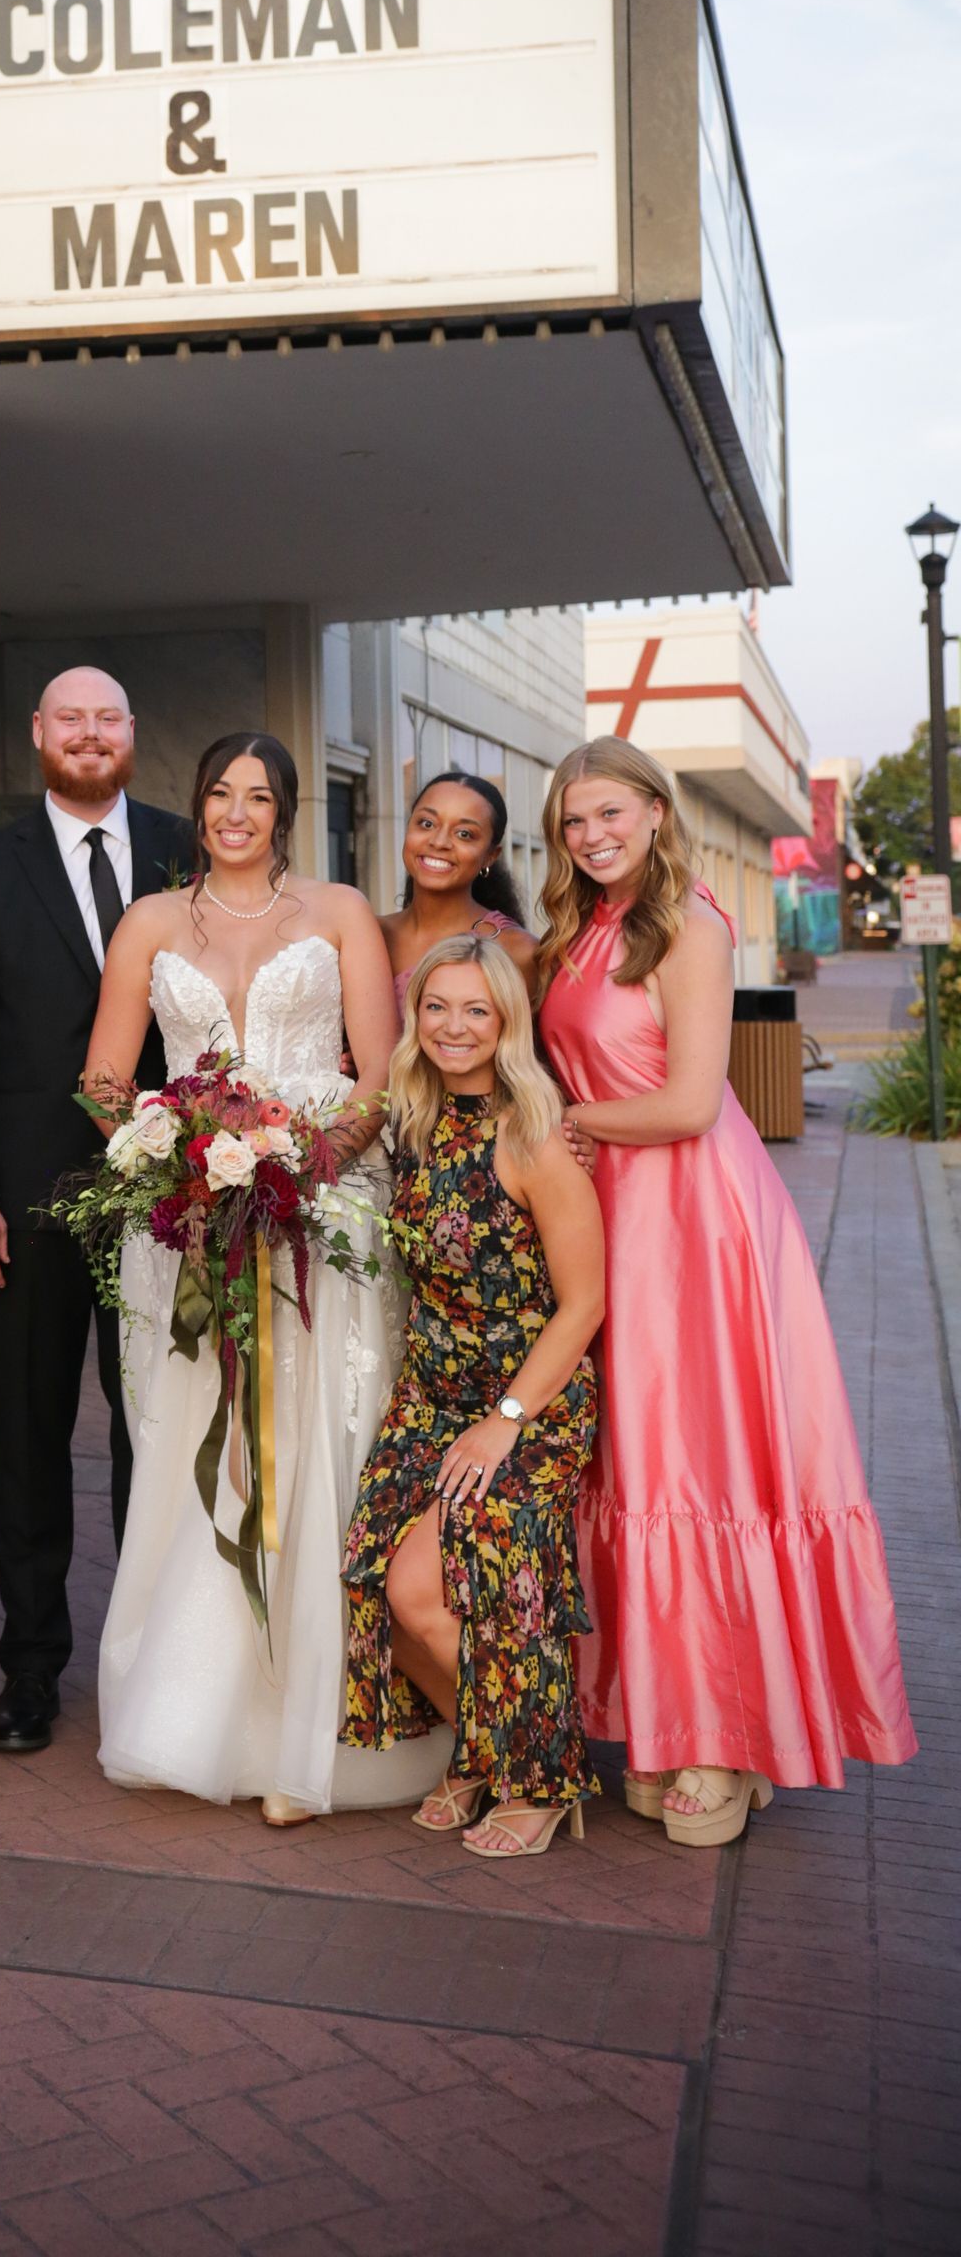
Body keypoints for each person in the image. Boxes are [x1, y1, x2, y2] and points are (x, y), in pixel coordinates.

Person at [538, 737, 916, 1844]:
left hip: (696, 1220)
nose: (593, 834)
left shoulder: (690, 924)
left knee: (704, 1466)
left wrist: (563, 1125)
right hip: (617, 1212)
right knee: (636, 1459)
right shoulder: (580, 928)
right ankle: (666, 1716)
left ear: (657, 810)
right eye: (572, 821)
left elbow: (692, 1102)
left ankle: (724, 1735)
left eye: (610, 812)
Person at [81, 733, 444, 1821]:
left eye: (257, 797)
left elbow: (380, 1074)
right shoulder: (150, 923)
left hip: (323, 1213)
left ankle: (315, 1726)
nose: (236, 812)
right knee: (208, 1447)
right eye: (218, 794)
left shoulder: (335, 914)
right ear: (196, 808)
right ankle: (203, 1715)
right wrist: (167, 1149)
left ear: (285, 811)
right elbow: (104, 1077)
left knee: (319, 1452)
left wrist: (316, 1154)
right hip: (191, 1227)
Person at [0, 666, 197, 1756]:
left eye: (108, 720)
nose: (89, 736)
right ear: (37, 734)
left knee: (157, 1432)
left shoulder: (190, 848)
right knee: (33, 1440)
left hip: (177, 1201)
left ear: (133, 734)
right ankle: (32, 1671)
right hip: (30, 1205)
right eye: (69, 720)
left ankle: (157, 1662)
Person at [342, 934, 604, 1859]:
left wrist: (504, 1427)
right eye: (436, 1008)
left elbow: (582, 1306)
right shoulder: (410, 1124)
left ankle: (539, 1770)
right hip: (432, 1394)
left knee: (425, 1590)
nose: (454, 1028)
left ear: (508, 1024)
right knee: (373, 1582)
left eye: (476, 1011)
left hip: (527, 1402)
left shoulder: (532, 1135)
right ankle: (495, 1749)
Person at [379, 770, 538, 1013]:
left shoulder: (518, 950)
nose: (439, 841)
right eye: (427, 823)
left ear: (490, 856)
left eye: (464, 834)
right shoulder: (369, 934)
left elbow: (530, 1048)